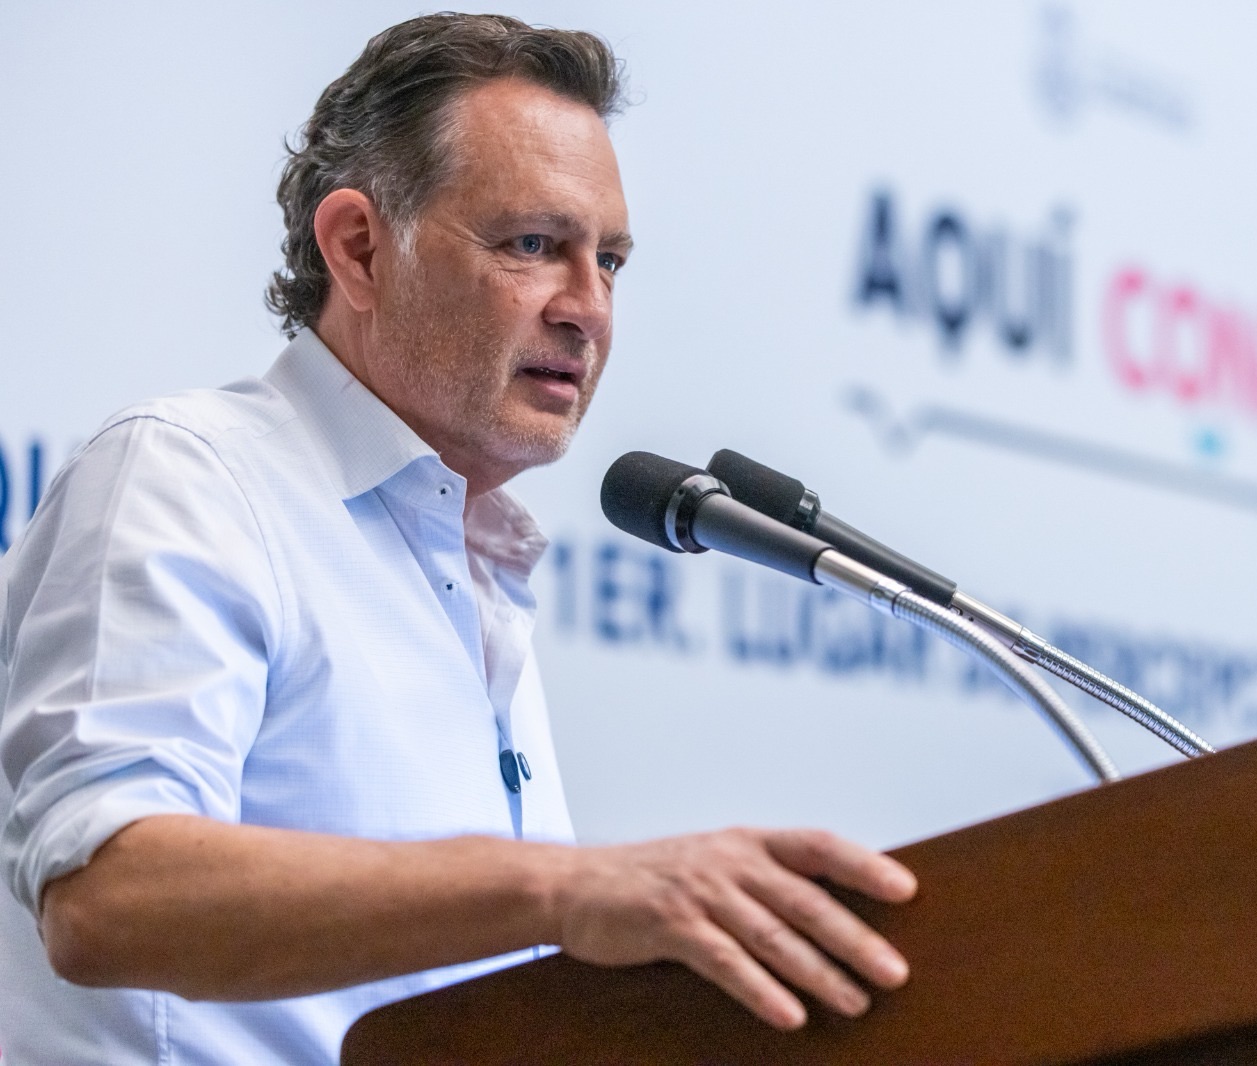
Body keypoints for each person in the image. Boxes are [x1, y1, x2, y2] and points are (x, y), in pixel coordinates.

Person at [0, 14, 916, 1064]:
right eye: (533, 245)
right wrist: (565, 888)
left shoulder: (470, 557)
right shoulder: (191, 478)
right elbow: (107, 895)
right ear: (358, 248)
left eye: (610, 260)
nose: (588, 309)